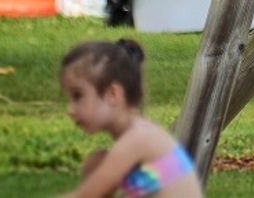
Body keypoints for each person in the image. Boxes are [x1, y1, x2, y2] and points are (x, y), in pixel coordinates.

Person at [59, 39, 201, 198]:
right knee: (96, 162)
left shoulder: (138, 139)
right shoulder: (135, 138)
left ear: (113, 94)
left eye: (78, 96)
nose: (70, 109)